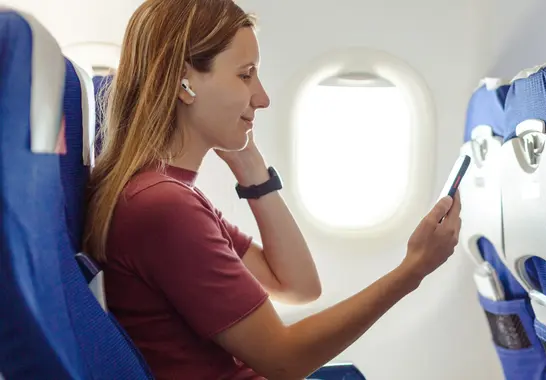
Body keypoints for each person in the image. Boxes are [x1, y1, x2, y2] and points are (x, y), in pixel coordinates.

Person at [83, 0, 463, 379]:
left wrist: (252, 169)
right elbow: (283, 360)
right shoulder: (162, 207)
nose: (262, 98)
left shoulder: (167, 193)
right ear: (184, 81)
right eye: (246, 75)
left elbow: (298, 286)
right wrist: (413, 269)